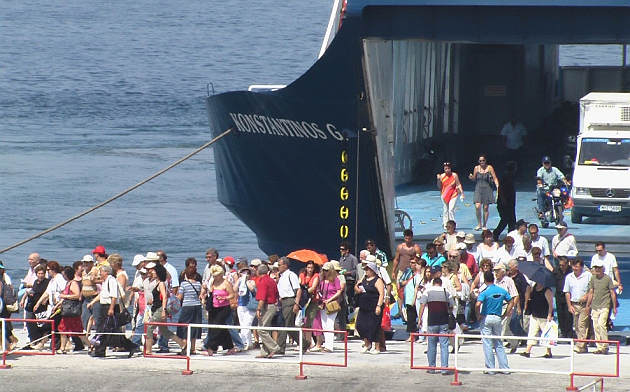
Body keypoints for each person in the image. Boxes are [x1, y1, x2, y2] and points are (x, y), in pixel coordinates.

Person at [86, 265, 138, 358]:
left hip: (110, 307)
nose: (99, 273)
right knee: (105, 329)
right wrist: (92, 302)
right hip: (104, 306)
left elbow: (114, 296)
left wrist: (111, 308)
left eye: (101, 271)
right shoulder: (105, 282)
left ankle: (128, 346)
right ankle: (100, 350)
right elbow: (102, 294)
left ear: (106, 272)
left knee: (107, 329)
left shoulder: (112, 281)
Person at [141, 263, 186, 356]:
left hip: (160, 309)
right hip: (157, 308)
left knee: (150, 327)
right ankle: (182, 345)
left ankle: (148, 350)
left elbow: (165, 297)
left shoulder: (161, 283)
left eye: (153, 271)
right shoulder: (157, 283)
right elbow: (160, 297)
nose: (152, 272)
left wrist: (164, 310)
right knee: (165, 331)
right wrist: (153, 301)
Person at [476, 271, 513, 374]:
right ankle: (504, 368)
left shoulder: (485, 292)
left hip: (486, 317)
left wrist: (478, 315)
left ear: (484, 280)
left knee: (487, 344)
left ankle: (490, 369)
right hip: (497, 317)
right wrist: (506, 313)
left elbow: (477, 304)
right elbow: (511, 301)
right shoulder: (502, 291)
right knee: (499, 343)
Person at [418, 277, 454, 375]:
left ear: (433, 283)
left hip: (432, 321)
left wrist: (420, 319)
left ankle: (431, 367)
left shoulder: (427, 291)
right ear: (441, 283)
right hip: (444, 321)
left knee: (431, 345)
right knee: (444, 345)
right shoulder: (446, 291)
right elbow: (452, 305)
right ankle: (444, 368)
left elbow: (422, 305)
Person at [202, 264, 237, 356]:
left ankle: (210, 348)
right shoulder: (213, 281)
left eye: (217, 275)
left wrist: (224, 298)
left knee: (216, 326)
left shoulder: (226, 283)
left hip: (224, 307)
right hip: (214, 307)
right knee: (221, 328)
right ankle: (230, 347)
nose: (215, 277)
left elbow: (232, 295)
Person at [586, 259, 618, 355]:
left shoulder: (607, 279)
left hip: (605, 305)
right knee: (595, 326)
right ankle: (599, 347)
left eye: (599, 267)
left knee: (601, 324)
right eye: (596, 267)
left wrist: (615, 306)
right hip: (595, 306)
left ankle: (605, 345)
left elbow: (612, 293)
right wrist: (588, 305)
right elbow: (591, 292)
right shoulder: (593, 279)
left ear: (603, 268)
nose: (597, 269)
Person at [33, 260, 65, 351]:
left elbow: (64, 292)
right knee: (54, 326)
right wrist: (38, 303)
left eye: (48, 270)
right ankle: (56, 344)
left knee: (49, 325)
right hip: (52, 307)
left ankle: (42, 343)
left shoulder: (59, 278)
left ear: (53, 270)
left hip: (58, 307)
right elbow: (47, 293)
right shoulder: (52, 280)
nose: (47, 272)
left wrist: (59, 304)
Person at [57, 265, 89, 354]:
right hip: (67, 310)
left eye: (64, 275)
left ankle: (90, 345)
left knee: (75, 330)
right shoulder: (68, 283)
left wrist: (65, 296)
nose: (63, 276)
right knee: (64, 329)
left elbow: (77, 295)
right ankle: (62, 347)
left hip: (71, 310)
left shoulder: (73, 283)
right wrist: (58, 304)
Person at [354, 262, 384, 354]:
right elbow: (357, 285)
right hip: (364, 306)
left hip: (373, 306)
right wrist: (357, 289)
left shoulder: (377, 280)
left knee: (374, 327)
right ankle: (367, 344)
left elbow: (381, 294)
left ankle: (377, 347)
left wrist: (378, 306)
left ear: (372, 270)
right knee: (360, 326)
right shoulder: (364, 278)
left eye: (368, 269)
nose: (366, 271)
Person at [276, 257, 304, 354]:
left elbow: (298, 289)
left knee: (286, 325)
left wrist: (296, 303)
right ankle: (304, 343)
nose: (278, 267)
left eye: (280, 265)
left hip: (290, 300)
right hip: (283, 301)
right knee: (286, 325)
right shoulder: (281, 276)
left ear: (285, 265)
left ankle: (280, 347)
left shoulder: (291, 275)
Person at [563, 257, 591, 353]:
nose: (575, 268)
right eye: (574, 266)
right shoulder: (569, 277)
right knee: (576, 326)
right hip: (574, 304)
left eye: (577, 267)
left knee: (582, 325)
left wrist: (587, 296)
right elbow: (567, 292)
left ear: (582, 267)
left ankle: (580, 345)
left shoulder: (588, 275)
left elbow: (592, 290)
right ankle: (583, 346)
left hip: (584, 305)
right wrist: (569, 305)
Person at [392, 229, 422, 317]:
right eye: (406, 238)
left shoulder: (416, 248)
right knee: (399, 290)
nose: (407, 240)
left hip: (412, 272)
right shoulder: (400, 247)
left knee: (411, 290)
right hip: (401, 271)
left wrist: (417, 271)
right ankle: (400, 310)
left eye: (409, 238)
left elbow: (419, 260)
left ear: (412, 237)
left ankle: (413, 309)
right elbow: (396, 260)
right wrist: (393, 271)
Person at [520, 282, 554, 358]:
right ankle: (527, 351)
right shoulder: (534, 288)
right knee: (532, 333)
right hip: (535, 314)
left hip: (544, 316)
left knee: (546, 334)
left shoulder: (547, 290)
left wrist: (549, 314)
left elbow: (550, 304)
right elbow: (529, 298)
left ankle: (549, 352)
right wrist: (528, 290)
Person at [254, 264, 281, 358]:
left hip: (268, 306)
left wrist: (258, 309)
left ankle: (274, 347)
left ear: (258, 272)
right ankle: (265, 351)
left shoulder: (263, 282)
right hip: (273, 304)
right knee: (266, 328)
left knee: (261, 329)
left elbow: (262, 297)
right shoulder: (271, 280)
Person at [468, 153, 499, 231]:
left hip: (487, 188)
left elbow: (495, 178)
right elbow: (475, 179)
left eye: (483, 160)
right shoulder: (476, 168)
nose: (482, 162)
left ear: (485, 161)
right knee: (477, 206)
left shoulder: (489, 168)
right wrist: (471, 178)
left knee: (485, 208)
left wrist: (498, 186)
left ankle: (485, 224)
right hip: (479, 188)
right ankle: (479, 223)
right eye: (480, 161)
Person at [176, 264, 203, 354]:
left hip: (187, 306)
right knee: (194, 326)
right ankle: (193, 348)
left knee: (184, 326)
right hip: (197, 307)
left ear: (186, 275)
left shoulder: (184, 284)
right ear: (195, 275)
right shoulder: (198, 284)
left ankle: (184, 348)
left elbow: (180, 297)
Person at [22, 264, 50, 350]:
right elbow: (31, 291)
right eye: (39, 273)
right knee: (29, 323)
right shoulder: (35, 282)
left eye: (42, 273)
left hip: (41, 307)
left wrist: (45, 300)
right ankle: (33, 340)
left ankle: (38, 341)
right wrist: (23, 299)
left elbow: (48, 292)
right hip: (31, 304)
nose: (40, 275)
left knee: (39, 325)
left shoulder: (47, 282)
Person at [318, 262, 342, 353]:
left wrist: (331, 299)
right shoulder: (322, 280)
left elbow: (339, 291)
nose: (325, 272)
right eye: (324, 270)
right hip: (323, 303)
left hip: (331, 303)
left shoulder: (335, 279)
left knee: (330, 323)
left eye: (327, 270)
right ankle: (326, 344)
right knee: (324, 324)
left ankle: (329, 346)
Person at [297, 260, 320, 352]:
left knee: (309, 323)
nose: (310, 270)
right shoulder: (302, 275)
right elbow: (299, 285)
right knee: (301, 322)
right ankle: (302, 343)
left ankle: (309, 343)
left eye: (311, 268)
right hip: (303, 301)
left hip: (312, 301)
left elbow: (314, 287)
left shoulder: (316, 276)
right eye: (308, 267)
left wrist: (305, 292)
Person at [235, 260, 256, 350]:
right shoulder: (240, 281)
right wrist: (240, 279)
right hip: (241, 305)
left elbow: (252, 289)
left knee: (245, 326)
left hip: (250, 307)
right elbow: (234, 289)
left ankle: (241, 344)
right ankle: (249, 343)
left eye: (247, 273)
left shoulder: (251, 282)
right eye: (244, 272)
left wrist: (246, 280)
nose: (245, 274)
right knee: (243, 325)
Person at [493, 161, 517, 241]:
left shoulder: (511, 176)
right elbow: (500, 188)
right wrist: (502, 199)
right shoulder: (505, 176)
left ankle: (511, 237)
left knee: (512, 221)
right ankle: (496, 232)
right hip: (504, 202)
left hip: (510, 202)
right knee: (505, 219)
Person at [437, 162, 465, 228]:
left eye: (448, 168)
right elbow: (439, 187)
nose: (447, 170)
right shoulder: (442, 176)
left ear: (450, 168)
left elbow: (458, 184)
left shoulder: (454, 175)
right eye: (445, 169)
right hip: (445, 194)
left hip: (453, 194)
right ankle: (445, 224)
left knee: (451, 209)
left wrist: (462, 193)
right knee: (445, 210)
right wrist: (438, 180)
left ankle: (452, 224)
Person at [339, 241, 358, 332]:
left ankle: (351, 317)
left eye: (342, 249)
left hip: (350, 281)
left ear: (347, 250)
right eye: (340, 249)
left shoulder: (353, 259)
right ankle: (345, 319)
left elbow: (356, 271)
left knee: (348, 300)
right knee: (343, 301)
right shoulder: (341, 259)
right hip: (342, 281)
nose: (341, 251)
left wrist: (347, 273)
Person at [553, 256, 573, 339]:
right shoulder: (556, 271)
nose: (561, 267)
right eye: (560, 265)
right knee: (560, 314)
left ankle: (569, 333)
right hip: (559, 294)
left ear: (567, 264)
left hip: (568, 295)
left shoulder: (571, 271)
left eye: (563, 265)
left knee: (568, 315)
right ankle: (563, 332)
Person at [0, 261, 18, 350]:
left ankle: (9, 343)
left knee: (4, 325)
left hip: (4, 304)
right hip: (3, 304)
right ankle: (6, 345)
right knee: (3, 326)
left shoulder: (3, 278)